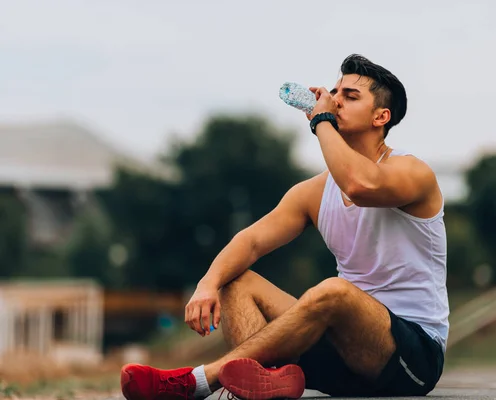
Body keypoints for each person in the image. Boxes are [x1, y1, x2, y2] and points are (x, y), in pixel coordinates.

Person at [120, 54, 448, 400]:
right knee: (235, 280)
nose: (336, 99)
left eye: (350, 96)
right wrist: (208, 284)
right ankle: (268, 382)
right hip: (343, 356)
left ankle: (199, 381)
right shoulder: (314, 192)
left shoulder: (412, 172)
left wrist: (321, 120)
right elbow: (252, 241)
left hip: (412, 357)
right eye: (334, 91)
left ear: (381, 117)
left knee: (334, 292)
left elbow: (359, 185)